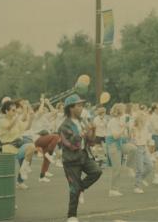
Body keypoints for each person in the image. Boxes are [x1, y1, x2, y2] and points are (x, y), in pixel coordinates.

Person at [58, 94, 102, 222]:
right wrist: (81, 134)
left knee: (97, 172)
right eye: (79, 105)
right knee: (73, 188)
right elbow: (71, 145)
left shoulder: (83, 121)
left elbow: (91, 140)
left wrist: (93, 130)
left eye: (82, 105)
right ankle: (71, 215)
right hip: (71, 160)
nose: (82, 107)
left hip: (84, 155)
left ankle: (81, 188)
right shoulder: (64, 126)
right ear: (71, 108)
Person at [0, 100, 35, 189]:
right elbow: (9, 127)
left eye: (15, 110)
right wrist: (17, 116)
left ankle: (22, 173)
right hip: (8, 150)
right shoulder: (2, 121)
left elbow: (27, 127)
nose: (15, 112)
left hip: (18, 148)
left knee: (31, 147)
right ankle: (6, 188)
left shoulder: (16, 120)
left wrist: (31, 118)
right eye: (13, 110)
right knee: (7, 175)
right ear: (6, 111)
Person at [105, 103, 136, 197]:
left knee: (133, 148)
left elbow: (123, 135)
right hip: (113, 145)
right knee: (116, 169)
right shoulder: (113, 121)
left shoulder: (119, 120)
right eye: (123, 109)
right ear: (120, 111)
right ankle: (113, 190)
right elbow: (115, 136)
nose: (125, 111)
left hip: (119, 143)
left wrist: (129, 130)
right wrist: (124, 128)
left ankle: (129, 167)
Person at [131, 112, 153, 194]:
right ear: (140, 120)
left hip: (143, 147)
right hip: (137, 148)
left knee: (150, 166)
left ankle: (141, 179)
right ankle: (137, 187)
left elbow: (147, 140)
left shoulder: (145, 128)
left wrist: (148, 147)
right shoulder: (134, 128)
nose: (145, 121)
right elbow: (133, 140)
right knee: (139, 169)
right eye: (143, 120)